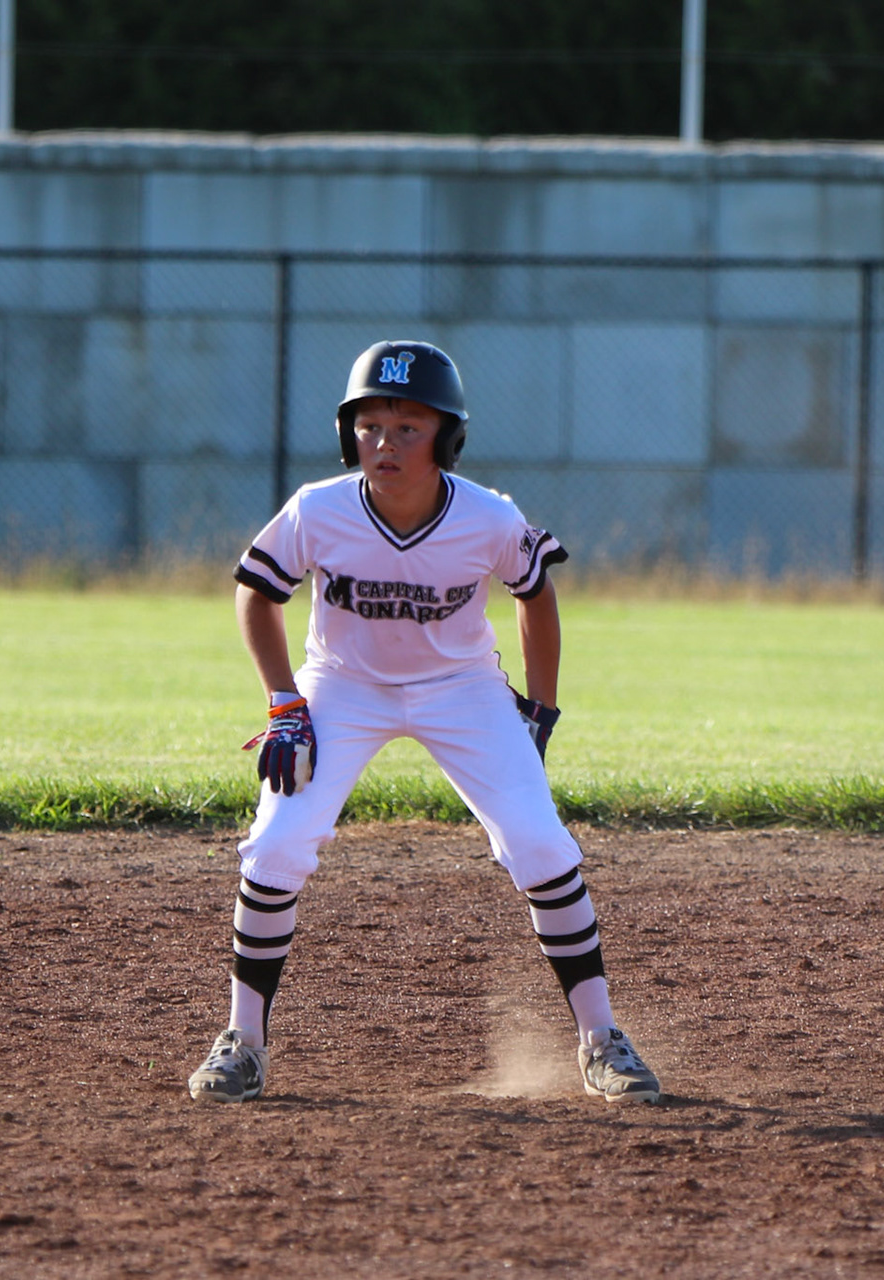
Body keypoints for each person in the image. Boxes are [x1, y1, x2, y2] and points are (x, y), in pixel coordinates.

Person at [188, 339, 661, 1102]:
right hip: (343, 686)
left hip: (461, 687)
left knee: (542, 844)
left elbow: (534, 593)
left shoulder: (486, 517)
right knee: (276, 846)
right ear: (350, 436)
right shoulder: (320, 509)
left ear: (447, 436)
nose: (386, 443)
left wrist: (540, 707)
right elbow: (256, 592)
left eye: (409, 427)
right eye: (371, 425)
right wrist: (284, 703)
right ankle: (243, 1041)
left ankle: (602, 1039)